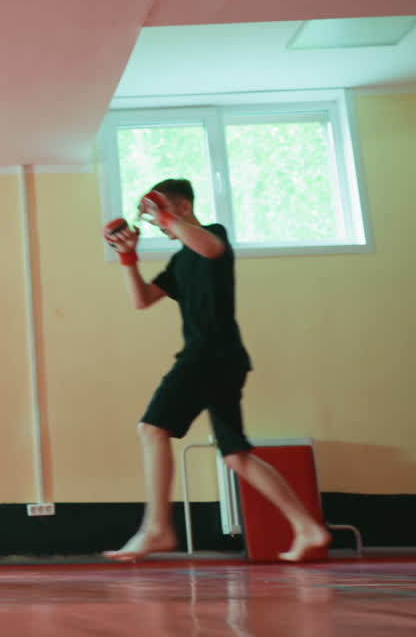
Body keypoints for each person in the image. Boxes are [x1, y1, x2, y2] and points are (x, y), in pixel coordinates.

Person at [102, 178, 330, 563]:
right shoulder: (179, 261)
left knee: (152, 427)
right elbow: (141, 300)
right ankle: (308, 528)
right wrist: (128, 257)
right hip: (222, 358)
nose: (158, 224)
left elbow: (209, 247)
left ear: (184, 208)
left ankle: (157, 529)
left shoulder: (212, 235)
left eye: (160, 215)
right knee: (235, 454)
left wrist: (165, 215)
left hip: (208, 354)